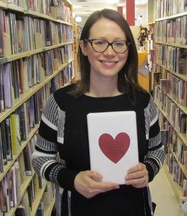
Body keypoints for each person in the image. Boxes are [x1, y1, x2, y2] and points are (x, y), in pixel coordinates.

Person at [32, 8, 165, 216]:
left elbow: (157, 150)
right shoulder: (60, 103)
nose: (110, 52)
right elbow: (40, 157)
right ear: (84, 47)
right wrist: (72, 180)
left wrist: (148, 170)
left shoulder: (143, 101)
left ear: (128, 49)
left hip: (133, 208)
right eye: (100, 42)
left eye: (119, 43)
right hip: (76, 208)